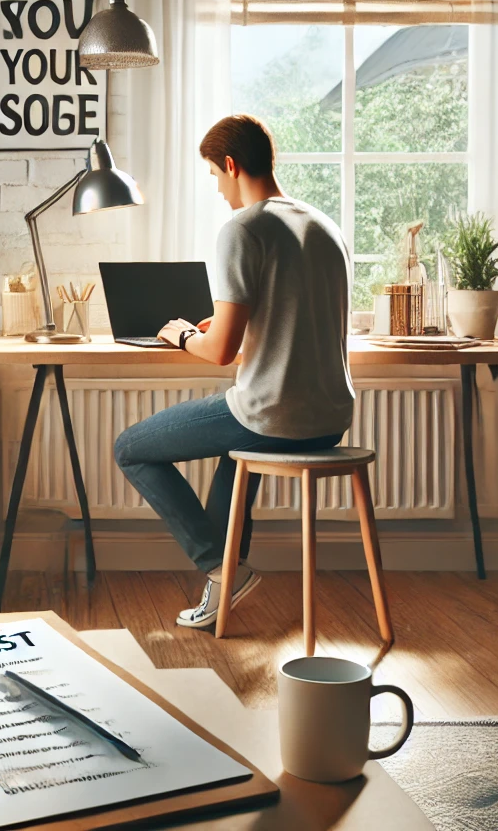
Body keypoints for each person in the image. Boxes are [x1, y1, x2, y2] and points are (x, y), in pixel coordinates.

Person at [114, 114, 355, 629]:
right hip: (331, 415)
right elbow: (294, 325)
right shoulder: (322, 224)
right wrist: (230, 325)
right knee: (233, 456)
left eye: (215, 177)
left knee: (130, 448)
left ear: (231, 165)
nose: (219, 190)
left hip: (273, 413)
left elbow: (220, 352)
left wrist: (179, 333)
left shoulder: (244, 228)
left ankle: (218, 566)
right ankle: (221, 586)